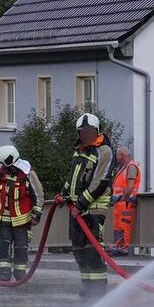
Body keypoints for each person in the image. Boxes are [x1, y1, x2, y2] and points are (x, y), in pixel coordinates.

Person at [55, 113, 116, 297]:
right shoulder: (79, 151)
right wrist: (63, 194)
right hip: (76, 209)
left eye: (89, 132)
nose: (85, 135)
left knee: (92, 250)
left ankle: (98, 289)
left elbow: (101, 181)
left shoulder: (104, 151)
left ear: (97, 131)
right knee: (78, 250)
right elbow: (72, 178)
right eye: (82, 132)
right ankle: (88, 285)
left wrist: (80, 204)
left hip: (94, 207)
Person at [0, 145, 44, 281]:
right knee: (3, 245)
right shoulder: (3, 171)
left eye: (3, 162)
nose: (1, 165)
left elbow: (38, 194)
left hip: (22, 218)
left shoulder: (28, 173)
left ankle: (20, 273)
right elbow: (0, 194)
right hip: (4, 217)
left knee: (21, 246)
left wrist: (36, 215)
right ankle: (4, 272)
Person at [108, 146, 141, 257]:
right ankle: (117, 246)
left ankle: (123, 247)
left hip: (125, 202)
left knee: (124, 225)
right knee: (118, 226)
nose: (116, 157)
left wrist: (123, 198)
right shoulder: (124, 167)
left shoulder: (131, 167)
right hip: (120, 203)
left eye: (117, 155)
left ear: (122, 155)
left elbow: (130, 186)